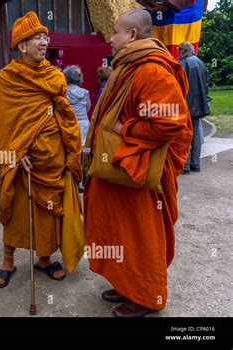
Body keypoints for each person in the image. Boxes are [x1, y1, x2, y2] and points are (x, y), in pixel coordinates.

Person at [83, 9, 192, 317]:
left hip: (137, 169)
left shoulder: (151, 70)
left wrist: (124, 129)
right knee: (119, 230)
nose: (110, 38)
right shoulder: (128, 66)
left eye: (115, 31)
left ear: (132, 35)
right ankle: (126, 282)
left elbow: (170, 122)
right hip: (120, 169)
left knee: (140, 233)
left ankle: (145, 295)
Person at [0, 12, 83, 288]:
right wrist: (16, 155)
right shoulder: (8, 78)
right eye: (36, 38)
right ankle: (8, 260)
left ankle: (44, 258)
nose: (44, 42)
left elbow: (63, 115)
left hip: (50, 156)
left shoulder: (54, 76)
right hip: (23, 160)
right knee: (17, 209)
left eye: (45, 37)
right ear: (22, 46)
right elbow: (6, 124)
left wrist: (68, 151)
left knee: (47, 213)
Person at [178, 41, 210, 174]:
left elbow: (178, 85)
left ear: (183, 51)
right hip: (199, 104)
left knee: (184, 134)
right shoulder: (201, 63)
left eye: (179, 52)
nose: (179, 55)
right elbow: (206, 84)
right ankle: (195, 164)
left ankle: (184, 166)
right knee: (196, 134)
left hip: (186, 104)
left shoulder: (182, 64)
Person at [63, 65, 92, 144]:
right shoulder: (85, 92)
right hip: (84, 126)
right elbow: (88, 107)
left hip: (69, 125)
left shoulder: (63, 92)